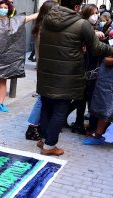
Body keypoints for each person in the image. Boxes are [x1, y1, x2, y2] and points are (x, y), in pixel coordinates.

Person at [36, 0, 113, 155]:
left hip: (46, 71)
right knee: (60, 109)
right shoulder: (81, 24)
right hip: (67, 74)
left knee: (46, 105)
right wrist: (110, 48)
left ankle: (43, 140)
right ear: (77, 7)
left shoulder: (47, 19)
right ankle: (49, 146)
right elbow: (97, 48)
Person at [66, 4, 104, 135]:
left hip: (93, 68)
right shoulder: (81, 26)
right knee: (81, 98)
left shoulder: (95, 27)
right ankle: (78, 123)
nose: (96, 15)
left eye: (97, 12)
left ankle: (79, 123)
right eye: (94, 13)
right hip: (81, 67)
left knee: (83, 98)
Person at [25, 0, 58, 141]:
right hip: (47, 69)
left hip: (45, 68)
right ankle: (32, 127)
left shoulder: (42, 25)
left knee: (43, 98)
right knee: (41, 98)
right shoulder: (45, 27)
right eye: (55, 10)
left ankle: (35, 126)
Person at [83, 55, 113, 145]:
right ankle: (98, 136)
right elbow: (107, 60)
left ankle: (98, 136)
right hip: (108, 82)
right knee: (105, 109)